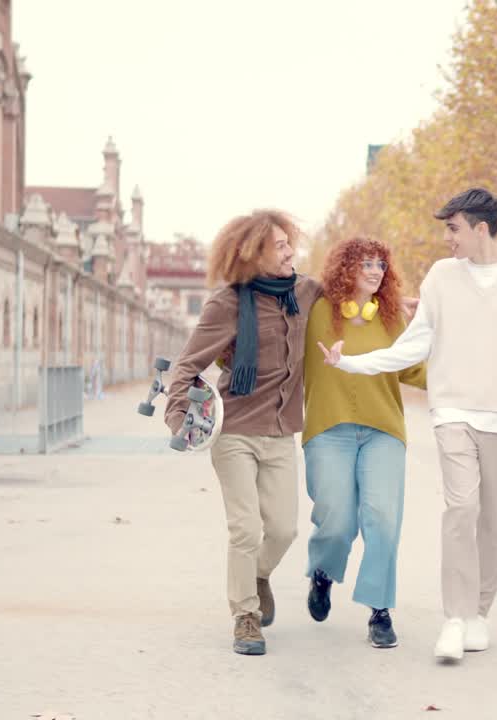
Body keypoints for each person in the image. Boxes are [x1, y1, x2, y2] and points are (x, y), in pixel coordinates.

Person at [317, 188, 497, 662]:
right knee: (461, 508)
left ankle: (478, 614)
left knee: (493, 519)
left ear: (480, 228)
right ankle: (454, 618)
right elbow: (414, 345)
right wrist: (353, 365)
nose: (447, 239)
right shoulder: (441, 278)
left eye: (453, 229)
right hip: (452, 412)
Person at [164, 209, 323, 656]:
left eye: (290, 241)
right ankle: (245, 616)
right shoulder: (227, 304)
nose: (291, 250)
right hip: (234, 431)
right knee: (246, 529)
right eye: (279, 245)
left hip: (280, 432)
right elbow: (186, 365)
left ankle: (256, 576)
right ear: (254, 255)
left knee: (284, 530)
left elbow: (352, 295)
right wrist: (179, 420)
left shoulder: (305, 293)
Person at [301, 237, 426, 649]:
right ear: (345, 269)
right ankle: (323, 572)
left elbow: (413, 370)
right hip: (328, 429)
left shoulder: (392, 319)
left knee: (383, 519)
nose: (375, 271)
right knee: (336, 522)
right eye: (366, 263)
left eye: (380, 265)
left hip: (383, 431)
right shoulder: (318, 312)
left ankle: (380, 610)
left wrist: (460, 377)